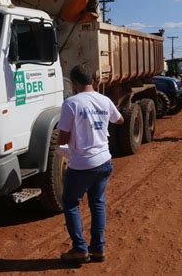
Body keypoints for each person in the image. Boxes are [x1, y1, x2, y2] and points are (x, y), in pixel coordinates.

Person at [57, 64, 124, 264]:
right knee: (97, 204)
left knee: (70, 203)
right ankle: (98, 249)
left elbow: (62, 137)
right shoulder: (104, 100)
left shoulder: (71, 103)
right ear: (92, 81)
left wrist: (64, 144)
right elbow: (119, 120)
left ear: (75, 83)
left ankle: (79, 249)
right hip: (104, 161)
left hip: (82, 164)